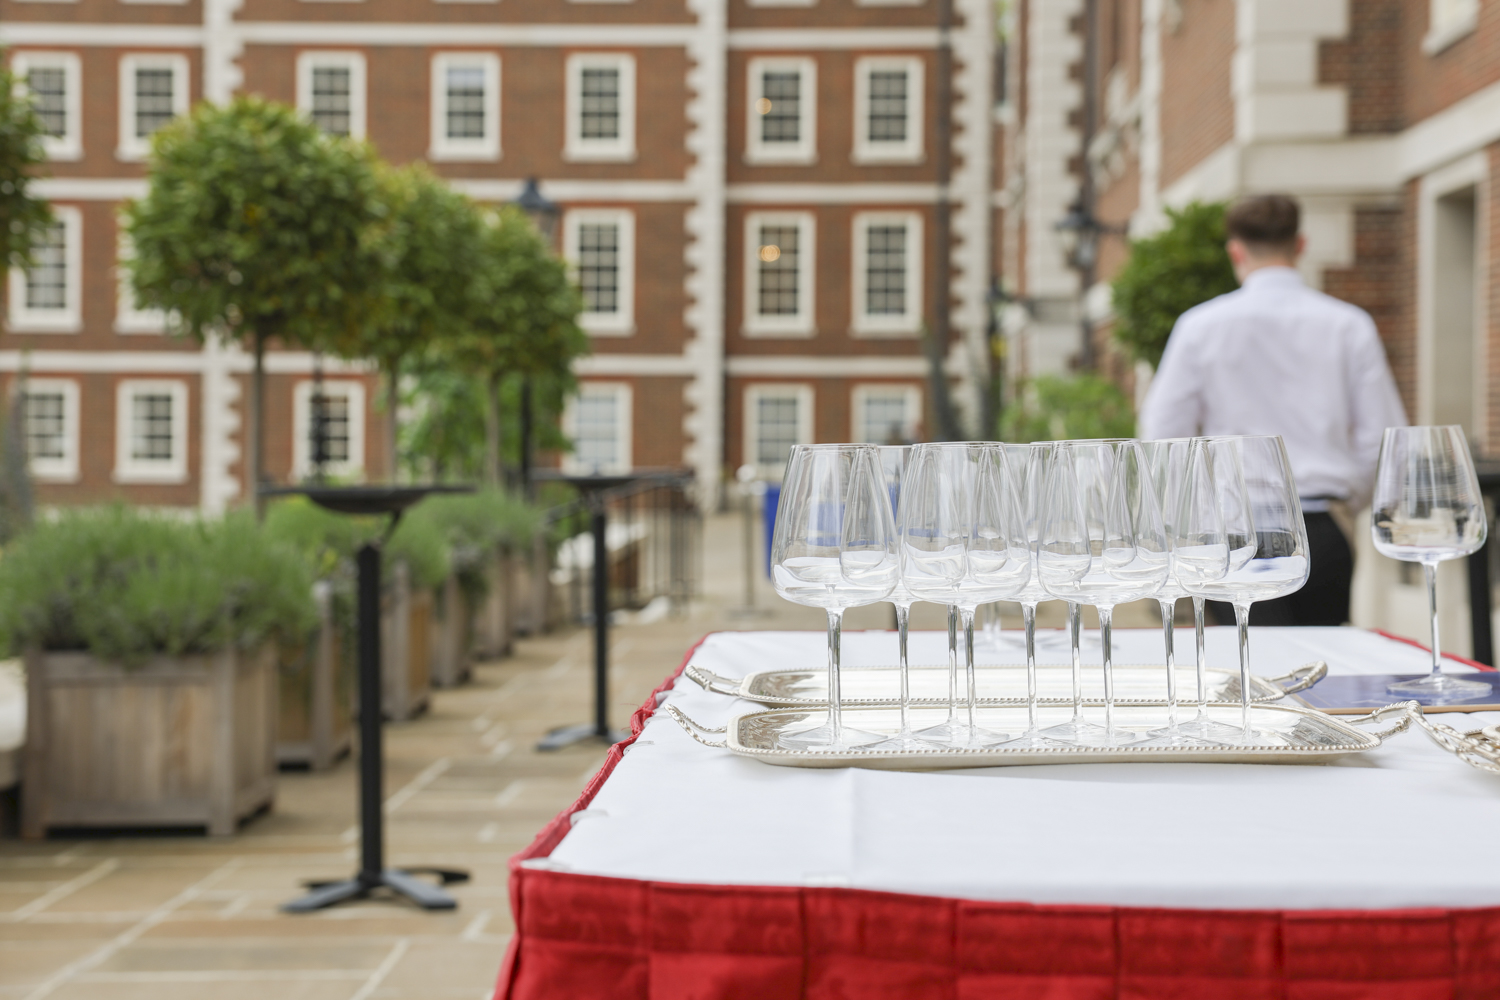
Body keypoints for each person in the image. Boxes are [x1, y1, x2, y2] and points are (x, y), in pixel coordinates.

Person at [1138, 193, 1408, 625]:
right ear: (1300, 245)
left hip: (1231, 531)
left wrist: (1195, 517)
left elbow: (1162, 435)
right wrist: (1347, 500)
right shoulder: (1347, 323)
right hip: (1321, 523)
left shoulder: (1200, 326)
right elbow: (1383, 437)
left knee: (1246, 670)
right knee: (1316, 667)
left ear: (1236, 251)